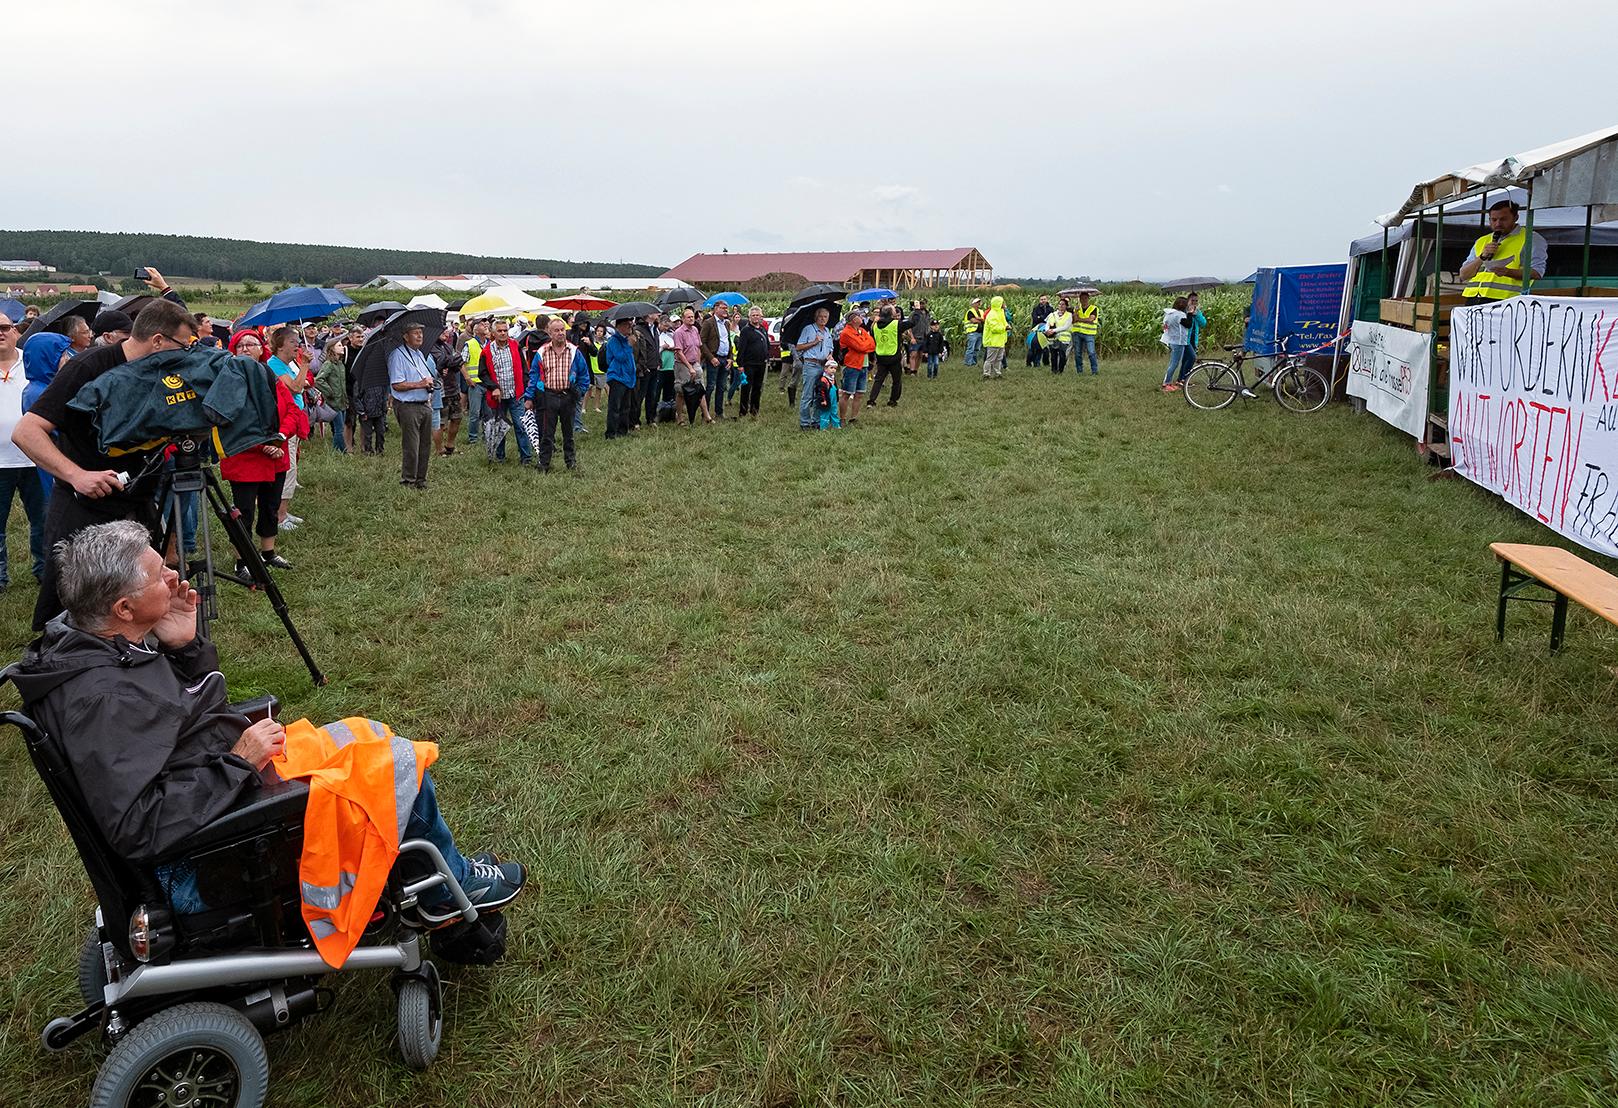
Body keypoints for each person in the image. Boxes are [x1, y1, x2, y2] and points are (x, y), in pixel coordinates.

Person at [12, 520, 527, 915]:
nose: (175, 574)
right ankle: (446, 897)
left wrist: (188, 648)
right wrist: (238, 763)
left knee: (364, 733)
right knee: (395, 767)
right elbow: (137, 826)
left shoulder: (99, 648)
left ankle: (439, 874)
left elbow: (183, 719)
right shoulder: (103, 698)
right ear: (123, 608)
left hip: (215, 797)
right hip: (202, 864)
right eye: (158, 573)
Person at [12, 299, 198, 632]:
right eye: (182, 346)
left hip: (137, 502)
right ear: (158, 340)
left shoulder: (162, 372)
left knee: (138, 591)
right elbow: (26, 431)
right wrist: (77, 476)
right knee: (68, 599)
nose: (185, 355)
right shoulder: (89, 367)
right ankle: (57, 667)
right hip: (84, 506)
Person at [220, 356, 305, 572]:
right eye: (241, 345)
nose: (246, 348)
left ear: (260, 350)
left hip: (276, 455)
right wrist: (263, 445)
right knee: (244, 511)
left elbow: (293, 412)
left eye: (252, 344)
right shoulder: (230, 383)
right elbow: (232, 424)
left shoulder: (272, 379)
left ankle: (268, 553)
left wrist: (280, 437)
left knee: (270, 506)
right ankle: (243, 561)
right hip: (246, 459)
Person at [0, 311, 46, 593]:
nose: (0, 333)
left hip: (35, 457)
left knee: (43, 520)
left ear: (16, 331)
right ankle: (0, 579)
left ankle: (45, 571)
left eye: (5, 327)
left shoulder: (31, 362)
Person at [522, 316, 591, 472]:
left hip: (568, 396)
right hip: (548, 396)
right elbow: (533, 376)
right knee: (546, 433)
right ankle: (544, 464)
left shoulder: (574, 351)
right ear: (549, 333)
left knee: (569, 433)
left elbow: (584, 375)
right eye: (556, 330)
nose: (560, 333)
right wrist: (529, 397)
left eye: (562, 330)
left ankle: (571, 462)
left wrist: (579, 391)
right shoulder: (542, 352)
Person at [1458, 198, 1549, 301]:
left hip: (1506, 301)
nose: (1498, 224)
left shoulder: (1530, 238)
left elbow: (1537, 272)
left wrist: (1508, 272)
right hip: (1473, 299)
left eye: (1503, 219)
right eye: (1494, 220)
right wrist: (1482, 257)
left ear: (1516, 217)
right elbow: (1463, 275)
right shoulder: (1482, 240)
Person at [265, 328, 309, 532]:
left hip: (295, 420)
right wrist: (306, 365)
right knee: (288, 466)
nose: (297, 345)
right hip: (285, 422)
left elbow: (301, 383)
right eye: (293, 342)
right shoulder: (274, 364)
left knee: (292, 465)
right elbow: (296, 387)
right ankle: (280, 516)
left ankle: (283, 510)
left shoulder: (288, 363)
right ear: (280, 345)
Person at [389, 323, 435, 489]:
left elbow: (425, 378)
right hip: (408, 406)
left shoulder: (419, 354)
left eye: (421, 332)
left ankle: (420, 480)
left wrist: (428, 385)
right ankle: (408, 481)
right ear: (405, 336)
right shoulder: (398, 355)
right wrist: (420, 384)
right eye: (415, 333)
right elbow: (397, 384)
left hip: (424, 403)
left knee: (425, 445)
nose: (420, 336)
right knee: (412, 446)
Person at [480, 319, 532, 464]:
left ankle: (526, 457)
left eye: (505, 330)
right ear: (493, 333)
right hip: (498, 397)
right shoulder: (487, 351)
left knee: (521, 426)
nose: (503, 333)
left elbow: (523, 367)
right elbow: (482, 373)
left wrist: (526, 385)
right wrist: (493, 387)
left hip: (516, 393)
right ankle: (500, 457)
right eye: (500, 331)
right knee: (499, 427)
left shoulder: (515, 345)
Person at [794, 307, 834, 430]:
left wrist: (830, 355)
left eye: (825, 317)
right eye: (820, 316)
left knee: (820, 394)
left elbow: (830, 348)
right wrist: (814, 342)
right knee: (807, 395)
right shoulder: (808, 329)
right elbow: (798, 347)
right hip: (811, 365)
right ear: (816, 317)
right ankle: (805, 423)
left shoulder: (827, 331)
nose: (823, 319)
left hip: (824, 366)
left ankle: (816, 421)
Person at [429, 326, 465, 457]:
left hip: (453, 387)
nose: (446, 332)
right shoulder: (431, 347)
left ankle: (450, 445)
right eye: (442, 330)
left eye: (446, 330)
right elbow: (444, 361)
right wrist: (452, 361)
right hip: (441, 389)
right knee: (440, 422)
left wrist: (453, 362)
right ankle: (439, 450)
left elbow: (456, 363)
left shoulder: (448, 346)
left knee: (457, 418)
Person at [836, 309, 875, 425]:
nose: (862, 318)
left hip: (864, 365)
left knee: (859, 393)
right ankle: (842, 418)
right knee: (847, 393)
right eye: (860, 316)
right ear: (854, 319)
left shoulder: (862, 331)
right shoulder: (846, 333)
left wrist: (864, 345)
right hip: (852, 366)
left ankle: (853, 418)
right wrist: (864, 345)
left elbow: (872, 344)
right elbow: (861, 347)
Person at [602, 316, 639, 439]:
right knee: (615, 407)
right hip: (617, 377)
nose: (629, 327)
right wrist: (629, 345)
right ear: (619, 327)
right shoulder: (614, 341)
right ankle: (611, 433)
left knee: (625, 407)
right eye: (626, 325)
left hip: (628, 378)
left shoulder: (627, 339)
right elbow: (620, 357)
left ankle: (623, 431)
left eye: (630, 324)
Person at [868, 306, 911, 408]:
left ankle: (871, 401)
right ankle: (892, 400)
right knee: (896, 380)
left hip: (881, 356)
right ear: (892, 314)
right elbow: (913, 322)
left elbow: (873, 338)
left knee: (878, 380)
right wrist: (917, 310)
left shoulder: (875, 325)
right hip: (894, 357)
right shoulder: (896, 324)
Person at [314, 336, 349, 454]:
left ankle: (336, 450)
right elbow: (319, 380)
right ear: (332, 349)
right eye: (339, 345)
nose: (342, 347)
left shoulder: (340, 364)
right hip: (334, 402)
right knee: (339, 429)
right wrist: (329, 392)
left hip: (342, 401)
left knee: (341, 428)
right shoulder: (328, 364)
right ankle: (342, 451)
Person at [700, 302, 735, 418]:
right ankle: (706, 412)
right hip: (714, 358)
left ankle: (719, 412)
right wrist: (711, 358)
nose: (726, 310)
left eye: (726, 308)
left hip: (725, 359)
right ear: (715, 309)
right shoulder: (708, 323)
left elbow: (728, 342)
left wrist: (730, 358)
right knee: (711, 386)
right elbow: (702, 342)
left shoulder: (726, 324)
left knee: (722, 387)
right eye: (723, 308)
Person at [736, 307, 770, 419]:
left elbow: (767, 344)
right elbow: (741, 348)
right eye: (753, 315)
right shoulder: (746, 331)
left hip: (761, 363)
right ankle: (743, 411)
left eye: (757, 315)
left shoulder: (763, 329)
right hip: (749, 364)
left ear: (761, 316)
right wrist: (740, 365)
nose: (756, 317)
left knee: (757, 388)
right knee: (746, 388)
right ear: (749, 317)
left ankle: (755, 410)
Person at [636, 311, 665, 428]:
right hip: (645, 368)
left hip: (654, 367)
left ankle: (651, 418)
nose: (658, 314)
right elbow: (639, 350)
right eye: (655, 312)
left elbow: (656, 346)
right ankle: (635, 420)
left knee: (652, 395)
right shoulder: (639, 329)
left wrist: (659, 361)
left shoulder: (655, 328)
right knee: (640, 395)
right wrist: (643, 366)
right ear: (648, 315)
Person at [463, 319, 489, 447]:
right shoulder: (470, 344)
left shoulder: (490, 344)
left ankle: (487, 436)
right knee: (475, 413)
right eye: (482, 325)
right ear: (476, 330)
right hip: (476, 384)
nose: (486, 326)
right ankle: (473, 438)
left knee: (488, 413)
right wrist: (467, 378)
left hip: (488, 384)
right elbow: (461, 362)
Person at [1160, 296, 1191, 392]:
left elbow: (1165, 326)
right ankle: (1166, 383)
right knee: (1174, 363)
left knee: (1173, 362)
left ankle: (1167, 382)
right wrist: (1189, 314)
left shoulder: (1169, 314)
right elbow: (1188, 324)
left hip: (1172, 340)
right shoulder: (1180, 315)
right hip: (1179, 342)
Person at [1178, 292, 1206, 385]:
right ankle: (1185, 378)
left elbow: (1203, 323)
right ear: (1188, 300)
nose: (1194, 302)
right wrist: (1189, 314)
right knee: (1192, 358)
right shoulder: (1183, 311)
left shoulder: (1197, 311)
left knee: (1186, 359)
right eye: (1192, 300)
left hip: (1194, 340)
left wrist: (1196, 314)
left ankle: (1181, 379)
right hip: (1185, 339)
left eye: (1196, 300)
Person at [1071, 291, 1099, 375]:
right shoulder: (1077, 308)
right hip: (1077, 333)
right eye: (1081, 299)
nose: (1083, 300)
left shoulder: (1093, 308)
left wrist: (1079, 319)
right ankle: (1079, 371)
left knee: (1091, 352)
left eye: (1085, 298)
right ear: (1079, 299)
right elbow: (1073, 320)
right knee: (1077, 353)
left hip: (1089, 333)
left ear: (1088, 299)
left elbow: (1091, 319)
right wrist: (1075, 312)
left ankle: (1094, 371)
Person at [981, 296, 1008, 379]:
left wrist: (1006, 325)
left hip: (1000, 340)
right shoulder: (992, 314)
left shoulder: (1001, 312)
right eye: (1002, 302)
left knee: (999, 359)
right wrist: (1005, 328)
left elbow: (1004, 322)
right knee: (990, 359)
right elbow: (994, 329)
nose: (1004, 304)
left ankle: (997, 373)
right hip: (993, 341)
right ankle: (986, 374)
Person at [1045, 298, 1073, 375]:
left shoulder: (1069, 315)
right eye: (1060, 304)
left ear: (1066, 306)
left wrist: (1053, 331)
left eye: (1063, 304)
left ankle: (1060, 370)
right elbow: (1047, 324)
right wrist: (1047, 330)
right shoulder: (1052, 314)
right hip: (1053, 338)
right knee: (1053, 355)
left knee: (1062, 355)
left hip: (1064, 338)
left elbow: (1066, 327)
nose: (1061, 306)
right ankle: (1054, 370)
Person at [906, 299, 932, 375]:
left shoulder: (927, 314)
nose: (922, 305)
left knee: (920, 355)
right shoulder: (913, 314)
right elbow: (909, 326)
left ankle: (916, 370)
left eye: (923, 303)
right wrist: (912, 337)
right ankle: (912, 371)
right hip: (916, 336)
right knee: (913, 354)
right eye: (920, 304)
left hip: (924, 337)